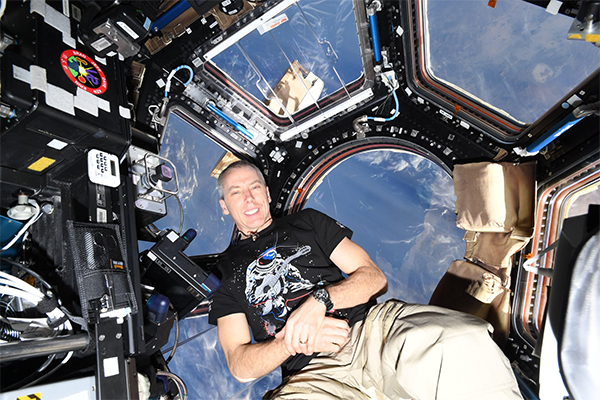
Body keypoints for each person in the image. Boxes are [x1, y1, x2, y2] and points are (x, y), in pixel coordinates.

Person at [208, 160, 524, 400]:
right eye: (236, 192)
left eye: (254, 187)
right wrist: (292, 340)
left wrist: (319, 302)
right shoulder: (226, 274)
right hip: (312, 375)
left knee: (455, 341)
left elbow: (373, 278)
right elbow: (239, 365)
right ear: (224, 206)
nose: (248, 198)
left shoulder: (306, 222)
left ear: (266, 193)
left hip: (371, 331)